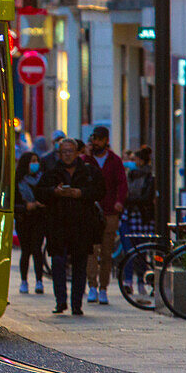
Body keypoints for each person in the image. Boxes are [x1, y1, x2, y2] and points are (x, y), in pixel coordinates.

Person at [36, 138, 104, 316]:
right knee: (57, 262)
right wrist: (54, 192)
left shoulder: (88, 171)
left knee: (80, 265)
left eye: (70, 151)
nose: (67, 155)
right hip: (58, 225)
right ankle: (61, 301)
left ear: (76, 152)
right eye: (63, 151)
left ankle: (76, 304)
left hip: (81, 226)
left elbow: (100, 191)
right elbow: (40, 193)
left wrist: (80, 193)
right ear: (59, 153)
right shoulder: (52, 172)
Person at [83, 126, 127, 305]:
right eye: (94, 139)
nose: (96, 142)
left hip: (109, 212)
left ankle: (103, 288)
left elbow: (122, 183)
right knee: (91, 251)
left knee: (107, 252)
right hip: (91, 211)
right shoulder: (87, 160)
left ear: (106, 140)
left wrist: (119, 202)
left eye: (100, 139)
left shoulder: (114, 160)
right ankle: (92, 285)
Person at [14, 152, 46, 295]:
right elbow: (14, 203)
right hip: (23, 219)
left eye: (37, 161)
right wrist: (26, 206)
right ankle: (24, 281)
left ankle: (39, 281)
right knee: (26, 250)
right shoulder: (18, 181)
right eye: (32, 161)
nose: (35, 164)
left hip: (38, 219)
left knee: (37, 249)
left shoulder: (42, 179)